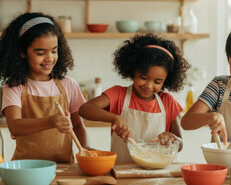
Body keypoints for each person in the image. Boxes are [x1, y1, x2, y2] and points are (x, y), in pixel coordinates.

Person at [0, 12, 89, 162]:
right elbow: (15, 126)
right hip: (25, 169)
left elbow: (78, 126)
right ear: (22, 52)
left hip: (63, 168)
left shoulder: (68, 84)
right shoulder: (14, 86)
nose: (49, 58)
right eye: (40, 52)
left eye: (54, 51)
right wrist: (51, 121)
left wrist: (86, 150)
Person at [79, 33, 190, 162]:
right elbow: (84, 109)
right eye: (143, 78)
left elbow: (180, 144)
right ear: (133, 71)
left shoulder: (167, 101)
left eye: (157, 82)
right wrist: (115, 118)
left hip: (158, 176)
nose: (149, 86)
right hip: (123, 172)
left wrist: (172, 139)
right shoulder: (118, 95)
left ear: (166, 81)